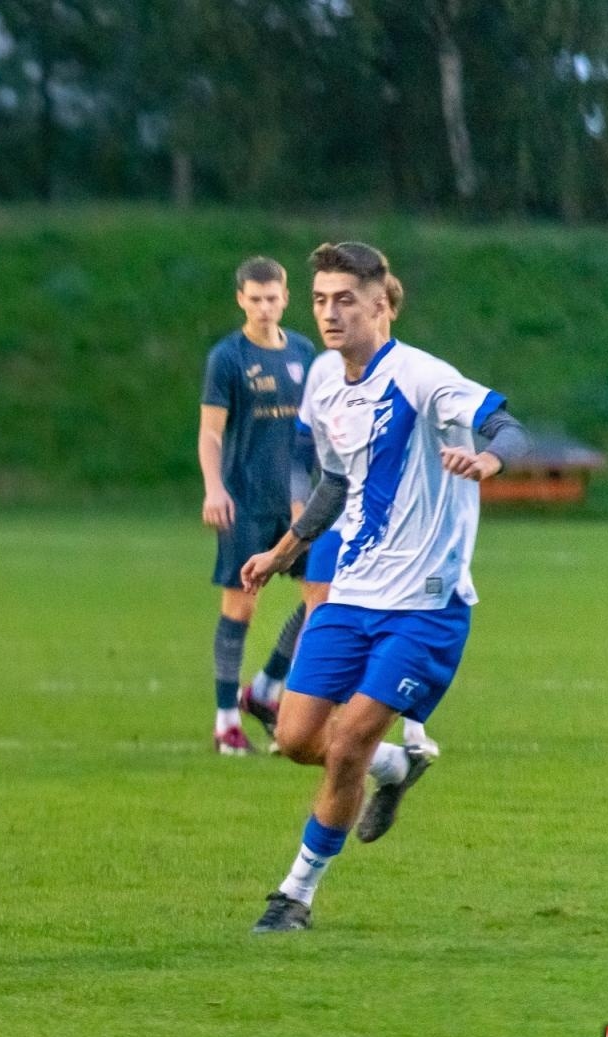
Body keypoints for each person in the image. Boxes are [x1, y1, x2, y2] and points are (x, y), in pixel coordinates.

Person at [240, 242, 528, 933]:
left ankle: (294, 896)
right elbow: (337, 483)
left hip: (426, 607)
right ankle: (397, 766)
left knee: (346, 746)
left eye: (345, 299)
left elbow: (508, 426)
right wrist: (282, 551)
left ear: (381, 303)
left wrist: (486, 459)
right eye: (320, 299)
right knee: (295, 735)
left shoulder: (423, 377)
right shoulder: (323, 379)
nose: (330, 312)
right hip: (352, 595)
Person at [246, 275, 436, 755]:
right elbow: (302, 454)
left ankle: (284, 697)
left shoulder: (409, 376)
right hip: (334, 523)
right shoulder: (325, 371)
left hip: (390, 535)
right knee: (323, 609)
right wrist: (298, 517)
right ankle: (295, 710)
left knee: (392, 616)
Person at [198, 256, 315, 756]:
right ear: (241, 300)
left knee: (322, 602)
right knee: (241, 607)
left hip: (298, 503)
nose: (265, 308)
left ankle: (266, 690)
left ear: (286, 299)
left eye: (273, 298)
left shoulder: (307, 354)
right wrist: (214, 488)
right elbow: (210, 432)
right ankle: (227, 719)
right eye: (255, 299)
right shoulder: (227, 358)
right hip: (244, 500)